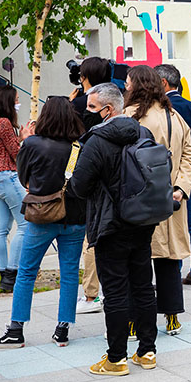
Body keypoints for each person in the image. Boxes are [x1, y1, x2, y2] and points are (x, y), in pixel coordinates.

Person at [67, 83, 165, 376]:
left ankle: (116, 358)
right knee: (143, 286)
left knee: (116, 292)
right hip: (143, 220)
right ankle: (147, 351)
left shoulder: (96, 141)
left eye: (92, 108)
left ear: (108, 110)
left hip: (110, 224)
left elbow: (79, 187)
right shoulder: (143, 133)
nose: (88, 113)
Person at [0, 96, 87, 348]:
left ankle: (16, 329)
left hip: (41, 215)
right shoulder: (78, 147)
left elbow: (23, 178)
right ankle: (63, 330)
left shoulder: (32, 144)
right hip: (74, 217)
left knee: (26, 272)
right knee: (69, 274)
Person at [124, 66, 191, 336]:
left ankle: (134, 320)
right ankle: (172, 316)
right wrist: (180, 188)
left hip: (139, 200)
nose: (126, 86)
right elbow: (190, 158)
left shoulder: (131, 116)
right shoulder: (174, 116)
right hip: (172, 200)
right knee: (168, 259)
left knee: (138, 260)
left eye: (128, 82)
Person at [156, 64, 191, 286]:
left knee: (171, 222)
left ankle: (174, 268)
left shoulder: (163, 110)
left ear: (163, 83)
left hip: (168, 176)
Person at [72, 57, 112, 313]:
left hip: (89, 174)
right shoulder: (114, 101)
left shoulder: (79, 105)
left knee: (92, 236)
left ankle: (91, 293)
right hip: (115, 176)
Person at [0, 84, 29, 292]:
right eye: (16, 99)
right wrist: (27, 140)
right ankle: (12, 273)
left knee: (2, 229)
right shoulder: (4, 123)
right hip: (9, 177)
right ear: (8, 102)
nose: (18, 102)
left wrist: (19, 137)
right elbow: (16, 153)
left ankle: (4, 275)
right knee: (25, 225)